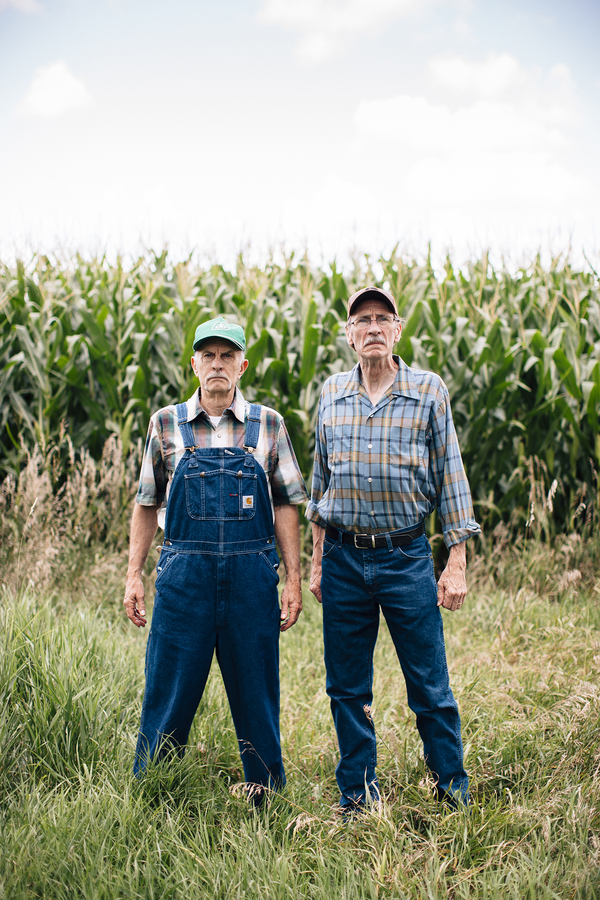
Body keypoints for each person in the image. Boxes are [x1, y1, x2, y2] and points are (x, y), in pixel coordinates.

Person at [307, 286, 481, 812]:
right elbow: (320, 487)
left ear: (398, 329)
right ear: (349, 334)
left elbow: (450, 474)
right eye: (363, 320)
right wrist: (316, 562)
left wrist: (455, 561)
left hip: (405, 558)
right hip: (342, 557)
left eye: (383, 319)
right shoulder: (332, 394)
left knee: (429, 683)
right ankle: (357, 795)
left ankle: (451, 790)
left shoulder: (428, 391)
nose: (374, 328)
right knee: (347, 687)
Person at [124, 316, 308, 801]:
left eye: (228, 356)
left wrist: (293, 578)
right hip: (185, 577)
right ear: (194, 364)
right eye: (209, 355)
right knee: (169, 687)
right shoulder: (166, 424)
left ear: (242, 365)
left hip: (252, 577)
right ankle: (154, 793)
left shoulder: (268, 424)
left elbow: (288, 501)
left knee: (257, 690)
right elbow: (146, 503)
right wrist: (134, 575)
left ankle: (265, 793)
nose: (218, 364)